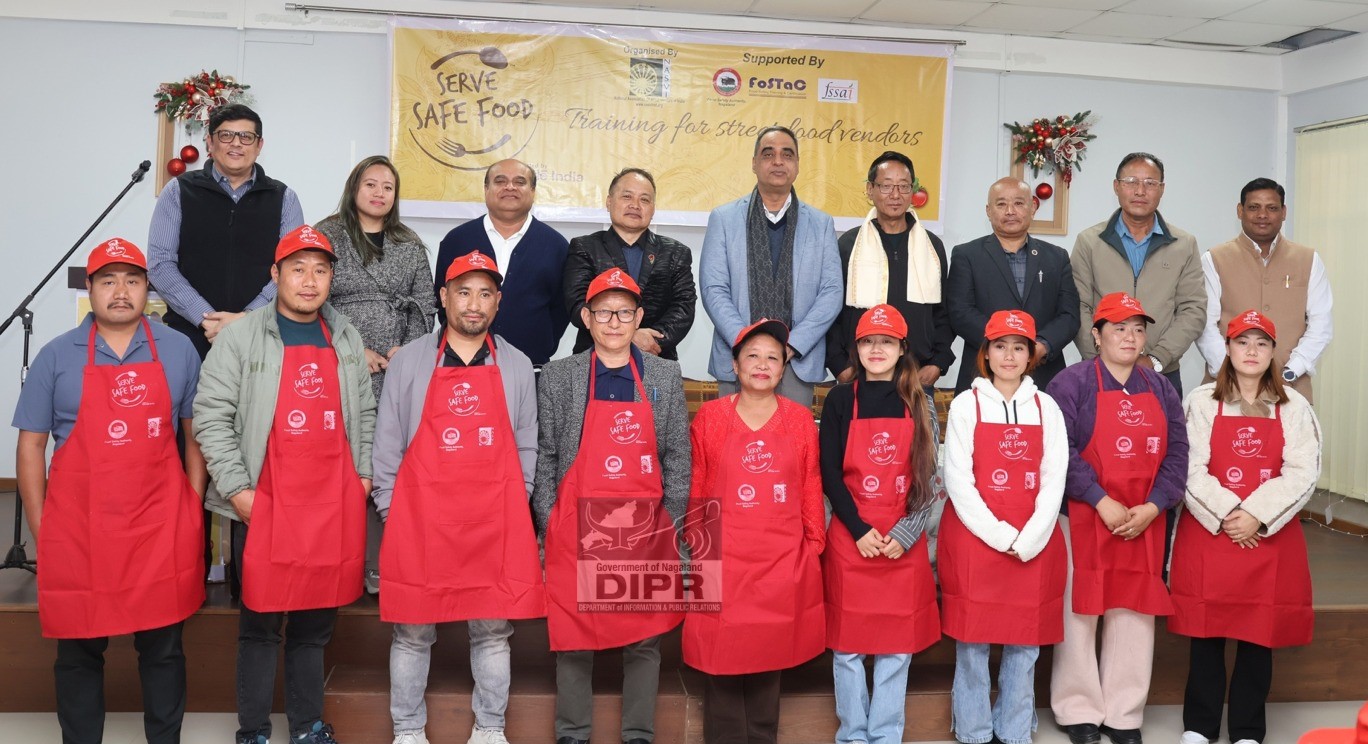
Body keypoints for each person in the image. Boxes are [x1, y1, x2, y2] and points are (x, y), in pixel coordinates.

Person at [13, 239, 205, 744]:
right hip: (81, 529)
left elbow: (194, 437)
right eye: (108, 281)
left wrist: (191, 506)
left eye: (132, 280)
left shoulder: (179, 349)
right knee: (78, 652)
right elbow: (31, 446)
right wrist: (41, 525)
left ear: (148, 288)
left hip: (158, 527)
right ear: (90, 288)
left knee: (164, 650)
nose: (121, 292)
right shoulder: (56, 356)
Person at [194, 225, 375, 744]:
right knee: (259, 626)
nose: (309, 281)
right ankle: (252, 730)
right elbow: (210, 415)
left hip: (331, 502)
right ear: (275, 275)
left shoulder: (345, 336)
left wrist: (362, 477)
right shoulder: (241, 336)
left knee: (314, 628)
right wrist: (238, 491)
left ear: (331, 278)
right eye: (298, 269)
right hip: (264, 502)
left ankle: (307, 726)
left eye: (320, 270)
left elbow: (364, 410)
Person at [372, 252, 543, 744]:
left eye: (485, 293)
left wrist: (518, 498)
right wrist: (391, 507)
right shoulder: (409, 361)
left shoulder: (515, 364)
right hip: (420, 519)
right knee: (412, 631)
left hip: (493, 520)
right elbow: (388, 441)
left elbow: (526, 442)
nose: (474, 303)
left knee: (492, 630)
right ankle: (408, 731)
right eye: (463, 292)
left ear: (498, 302)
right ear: (443, 297)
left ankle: (490, 728)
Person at [532, 269, 691, 744]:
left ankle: (638, 732)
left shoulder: (664, 375)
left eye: (624, 312)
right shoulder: (559, 376)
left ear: (639, 317)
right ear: (586, 318)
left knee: (644, 637)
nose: (615, 322)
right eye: (604, 312)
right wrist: (551, 520)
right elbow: (547, 457)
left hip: (644, 530)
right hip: (576, 525)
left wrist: (670, 523)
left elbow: (677, 456)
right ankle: (572, 732)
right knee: (574, 634)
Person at [1170, 310, 1321, 744]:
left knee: (1260, 633)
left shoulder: (1295, 406)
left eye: (1261, 343)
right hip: (1212, 533)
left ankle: (1248, 730)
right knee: (1206, 632)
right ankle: (1199, 726)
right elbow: (1188, 465)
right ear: (1227, 349)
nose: (1251, 351)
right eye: (1242, 341)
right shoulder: (1201, 401)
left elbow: (1303, 470)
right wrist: (1228, 513)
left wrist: (1256, 514)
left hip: (1268, 536)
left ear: (1273, 352)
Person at [1047, 292, 1188, 744]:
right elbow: (1059, 449)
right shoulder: (1071, 383)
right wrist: (1099, 498)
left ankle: (1124, 713)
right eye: (1119, 328)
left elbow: (1178, 453)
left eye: (1138, 329)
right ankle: (1078, 710)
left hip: (1144, 519)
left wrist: (1155, 505)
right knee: (1080, 612)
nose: (1130, 337)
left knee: (1134, 611)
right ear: (1096, 335)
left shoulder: (1160, 388)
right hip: (1083, 516)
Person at [683, 318, 827, 744]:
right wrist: (696, 541)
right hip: (723, 557)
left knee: (768, 657)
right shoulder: (711, 417)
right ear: (735, 364)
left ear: (783, 369)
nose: (762, 365)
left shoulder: (799, 420)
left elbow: (810, 482)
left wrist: (813, 541)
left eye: (772, 358)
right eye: (753, 356)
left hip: (778, 561)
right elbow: (697, 482)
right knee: (720, 657)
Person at [940, 310, 1069, 744]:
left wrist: (1029, 537)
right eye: (1000, 346)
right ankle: (974, 731)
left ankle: (1014, 731)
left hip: (1033, 540)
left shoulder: (1046, 407)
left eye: (1018, 347)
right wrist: (998, 535)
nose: (1009, 356)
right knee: (972, 642)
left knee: (1025, 641)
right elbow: (958, 479)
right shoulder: (966, 404)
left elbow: (1054, 477)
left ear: (1031, 355)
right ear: (986, 353)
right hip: (976, 538)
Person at [819, 305, 941, 744]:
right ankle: (853, 734)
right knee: (848, 647)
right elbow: (829, 473)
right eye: (868, 341)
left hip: (900, 540)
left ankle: (886, 734)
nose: (876, 349)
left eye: (886, 342)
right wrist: (858, 530)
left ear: (902, 348)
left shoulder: (920, 401)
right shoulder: (839, 399)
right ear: (856, 347)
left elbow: (929, 474)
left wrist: (906, 533)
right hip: (852, 536)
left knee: (896, 646)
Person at [315, 154, 435, 595]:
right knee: (349, 459)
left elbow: (426, 301)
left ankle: (388, 561)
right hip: (340, 363)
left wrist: (410, 349)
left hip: (398, 366)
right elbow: (313, 297)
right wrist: (352, 349)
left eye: (388, 186)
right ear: (354, 188)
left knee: (391, 458)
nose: (379, 193)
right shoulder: (327, 235)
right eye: (371, 184)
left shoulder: (408, 241)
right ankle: (345, 561)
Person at [700, 126, 843, 405]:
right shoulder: (724, 219)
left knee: (792, 434)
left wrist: (793, 344)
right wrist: (747, 344)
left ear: (797, 165)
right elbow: (713, 289)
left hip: (796, 361)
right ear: (754, 163)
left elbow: (832, 292)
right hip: (737, 358)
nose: (778, 161)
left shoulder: (821, 224)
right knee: (732, 434)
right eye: (768, 154)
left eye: (787, 154)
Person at [148, 103, 305, 357]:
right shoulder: (179, 191)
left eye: (246, 136)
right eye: (226, 135)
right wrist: (207, 318)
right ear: (210, 142)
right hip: (190, 336)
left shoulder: (284, 198)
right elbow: (160, 264)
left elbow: (292, 267)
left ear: (259, 145)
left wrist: (248, 318)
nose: (236, 143)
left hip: (263, 336)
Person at [1070, 152, 1205, 395]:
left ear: (1162, 189)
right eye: (1131, 182)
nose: (1140, 191)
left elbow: (1193, 309)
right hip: (1099, 371)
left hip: (1161, 373)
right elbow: (1079, 305)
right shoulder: (1089, 242)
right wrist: (1102, 358)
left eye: (1150, 183)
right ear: (1116, 186)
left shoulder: (1184, 244)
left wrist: (1156, 359)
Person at [1196, 178, 1332, 402]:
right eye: (1253, 207)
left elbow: (1321, 326)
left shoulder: (1309, 260)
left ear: (1284, 212)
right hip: (1226, 388)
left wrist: (1290, 372)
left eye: (1272, 208)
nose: (1262, 215)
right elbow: (1205, 325)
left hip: (1291, 389)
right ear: (1240, 211)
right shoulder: (1214, 259)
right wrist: (1231, 373)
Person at [827, 151, 955, 391]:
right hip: (858, 373)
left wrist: (938, 363)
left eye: (904, 186)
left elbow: (944, 312)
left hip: (917, 375)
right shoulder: (849, 245)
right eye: (886, 186)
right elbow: (831, 310)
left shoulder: (931, 246)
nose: (895, 195)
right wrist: (839, 365)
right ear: (870, 190)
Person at [947, 177, 1080, 393]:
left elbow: (1069, 315)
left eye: (1019, 203)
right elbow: (960, 312)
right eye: (1001, 204)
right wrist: (1003, 347)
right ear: (988, 211)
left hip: (1044, 374)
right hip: (984, 372)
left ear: (1033, 208)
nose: (1010, 211)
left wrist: (1040, 346)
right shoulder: (967, 255)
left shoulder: (1056, 257)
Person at [434, 159, 570, 367]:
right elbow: (442, 301)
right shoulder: (457, 240)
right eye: (500, 181)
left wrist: (543, 343)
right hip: (462, 366)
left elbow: (560, 309)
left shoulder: (556, 246)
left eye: (520, 182)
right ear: (486, 189)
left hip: (530, 367)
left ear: (533, 191)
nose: (510, 187)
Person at [563, 167, 697, 360]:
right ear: (609, 202)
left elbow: (684, 307)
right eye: (627, 197)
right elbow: (578, 305)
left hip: (656, 358)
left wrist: (651, 340)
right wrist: (628, 335)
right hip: (595, 357)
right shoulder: (584, 247)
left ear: (653, 208)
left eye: (644, 200)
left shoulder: (676, 252)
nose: (635, 205)